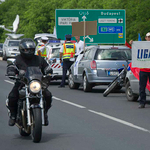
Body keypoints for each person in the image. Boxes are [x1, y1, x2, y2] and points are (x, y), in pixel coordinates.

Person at [7, 38, 52, 126]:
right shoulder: (18, 59)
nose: (29, 51)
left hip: (36, 83)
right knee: (12, 96)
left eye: (31, 49)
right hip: (21, 83)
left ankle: (44, 114)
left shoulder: (39, 59)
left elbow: (46, 67)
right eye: (26, 49)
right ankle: (13, 116)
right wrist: (11, 71)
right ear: (22, 49)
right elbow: (11, 66)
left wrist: (49, 71)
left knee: (48, 95)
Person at [129, 32, 150, 108]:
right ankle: (142, 102)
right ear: (146, 38)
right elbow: (134, 50)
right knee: (142, 87)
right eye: (148, 37)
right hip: (143, 70)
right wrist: (132, 43)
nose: (149, 38)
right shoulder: (141, 46)